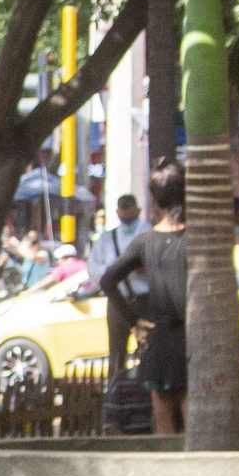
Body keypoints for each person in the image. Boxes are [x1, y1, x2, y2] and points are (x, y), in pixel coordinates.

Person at [100, 157, 190, 435]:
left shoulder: (144, 242)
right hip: (192, 338)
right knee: (193, 424)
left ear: (154, 201)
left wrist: (134, 322)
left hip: (158, 341)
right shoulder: (198, 238)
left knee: (164, 425)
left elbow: (107, 280)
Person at [86, 194, 149, 388]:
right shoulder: (107, 238)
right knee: (117, 355)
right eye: (124, 219)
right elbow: (93, 269)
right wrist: (115, 269)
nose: (127, 222)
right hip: (117, 300)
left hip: (143, 300)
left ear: (137, 212)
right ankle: (116, 393)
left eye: (130, 218)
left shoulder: (147, 232)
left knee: (147, 351)